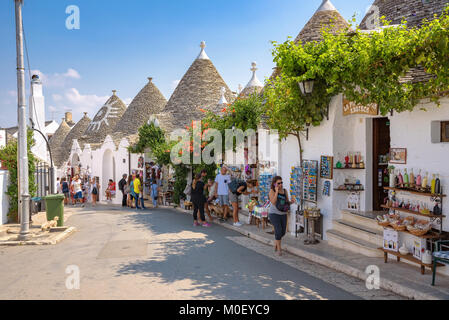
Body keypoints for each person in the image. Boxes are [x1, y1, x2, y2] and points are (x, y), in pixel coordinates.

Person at [268, 176, 293, 256]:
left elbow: (286, 202)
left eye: (281, 183)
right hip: (274, 214)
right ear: (275, 184)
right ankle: (279, 249)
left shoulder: (285, 191)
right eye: (279, 183)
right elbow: (273, 202)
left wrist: (291, 202)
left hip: (283, 214)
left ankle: (276, 243)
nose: (281, 184)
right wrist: (276, 192)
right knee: (278, 231)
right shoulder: (272, 191)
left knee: (282, 232)